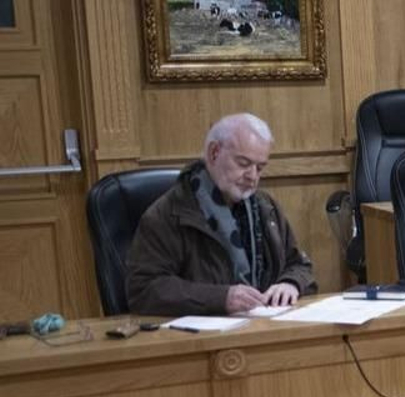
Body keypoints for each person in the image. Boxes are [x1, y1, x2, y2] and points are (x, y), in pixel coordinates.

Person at [125, 113, 316, 316]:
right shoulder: (170, 213)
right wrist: (221, 298)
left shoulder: (266, 208)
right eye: (243, 164)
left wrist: (291, 284)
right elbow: (143, 289)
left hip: (264, 327)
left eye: (259, 168)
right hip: (199, 338)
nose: (252, 176)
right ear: (214, 152)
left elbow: (299, 265)